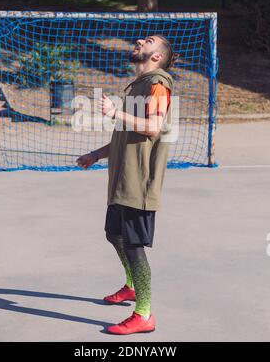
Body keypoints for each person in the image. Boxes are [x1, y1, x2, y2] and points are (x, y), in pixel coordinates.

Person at [77, 35, 177, 335]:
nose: (138, 40)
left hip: (139, 183)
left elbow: (152, 128)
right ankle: (132, 286)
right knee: (113, 233)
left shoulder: (158, 83)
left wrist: (114, 112)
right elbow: (125, 133)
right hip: (122, 178)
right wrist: (97, 154)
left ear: (157, 57)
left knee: (134, 246)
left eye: (147, 41)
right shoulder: (136, 86)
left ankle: (144, 314)